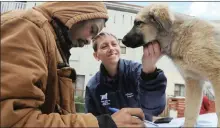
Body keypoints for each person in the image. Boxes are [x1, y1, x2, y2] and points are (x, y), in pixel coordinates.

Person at [1, 2, 145, 127]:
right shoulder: (26, 28)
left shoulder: (53, 44)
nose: (89, 41)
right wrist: (103, 124)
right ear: (77, 12)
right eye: (92, 30)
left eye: (115, 44)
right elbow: (15, 121)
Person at [85, 32, 167, 121]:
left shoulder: (136, 71)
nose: (111, 48)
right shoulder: (93, 87)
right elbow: (92, 121)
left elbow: (154, 108)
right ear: (96, 56)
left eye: (114, 44)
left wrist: (150, 72)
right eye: (104, 46)